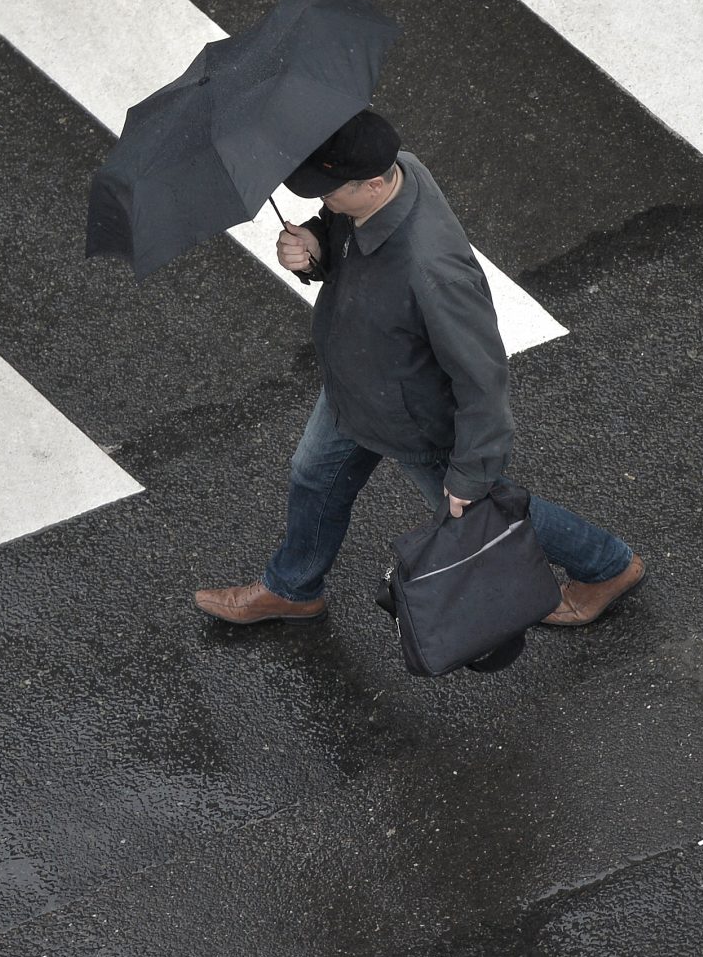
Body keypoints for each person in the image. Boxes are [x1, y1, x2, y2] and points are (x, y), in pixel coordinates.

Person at [193, 110, 646, 630]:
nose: (322, 201)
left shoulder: (432, 271)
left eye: (331, 192)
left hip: (411, 415)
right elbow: (342, 231)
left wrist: (472, 470)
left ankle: (606, 567)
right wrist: (316, 248)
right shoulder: (395, 171)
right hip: (355, 386)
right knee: (313, 477)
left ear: (375, 183)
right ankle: (293, 588)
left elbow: (482, 377)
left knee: (483, 512)